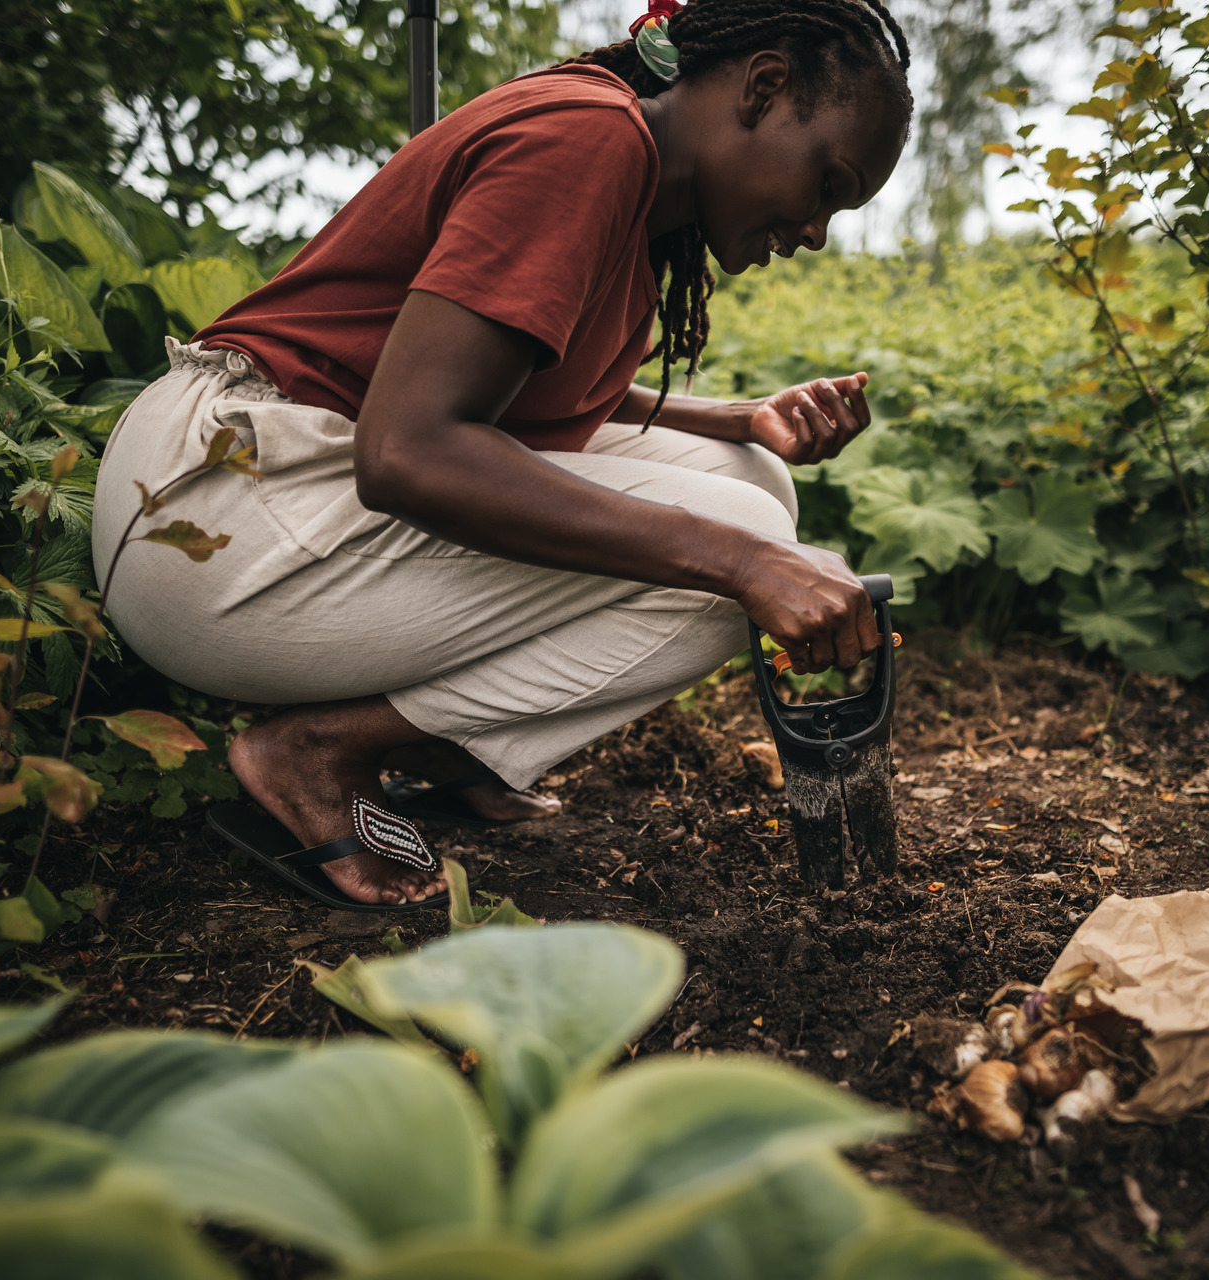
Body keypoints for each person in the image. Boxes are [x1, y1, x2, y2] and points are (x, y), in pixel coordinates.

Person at [90, 0, 914, 910]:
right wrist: (745, 560)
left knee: (747, 480)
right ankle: (316, 750)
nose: (815, 231)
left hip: (267, 483)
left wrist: (738, 418)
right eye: (829, 185)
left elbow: (499, 379)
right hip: (214, 502)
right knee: (742, 538)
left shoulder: (633, 181)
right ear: (763, 87)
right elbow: (407, 449)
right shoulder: (586, 143)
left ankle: (445, 751)